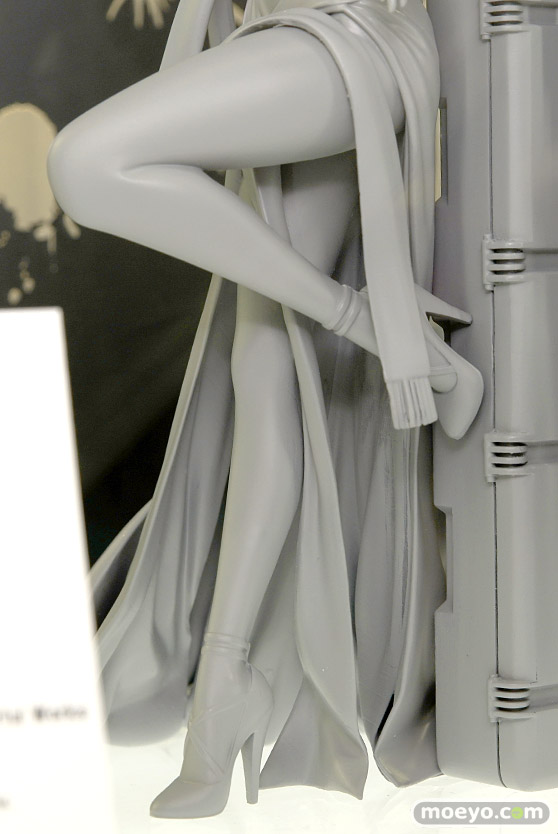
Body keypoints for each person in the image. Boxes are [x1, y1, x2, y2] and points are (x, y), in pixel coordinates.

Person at [48, 0, 483, 819]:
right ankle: (225, 681)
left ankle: (372, 325)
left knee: (86, 161)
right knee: (263, 369)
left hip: (346, 37)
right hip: (278, 40)